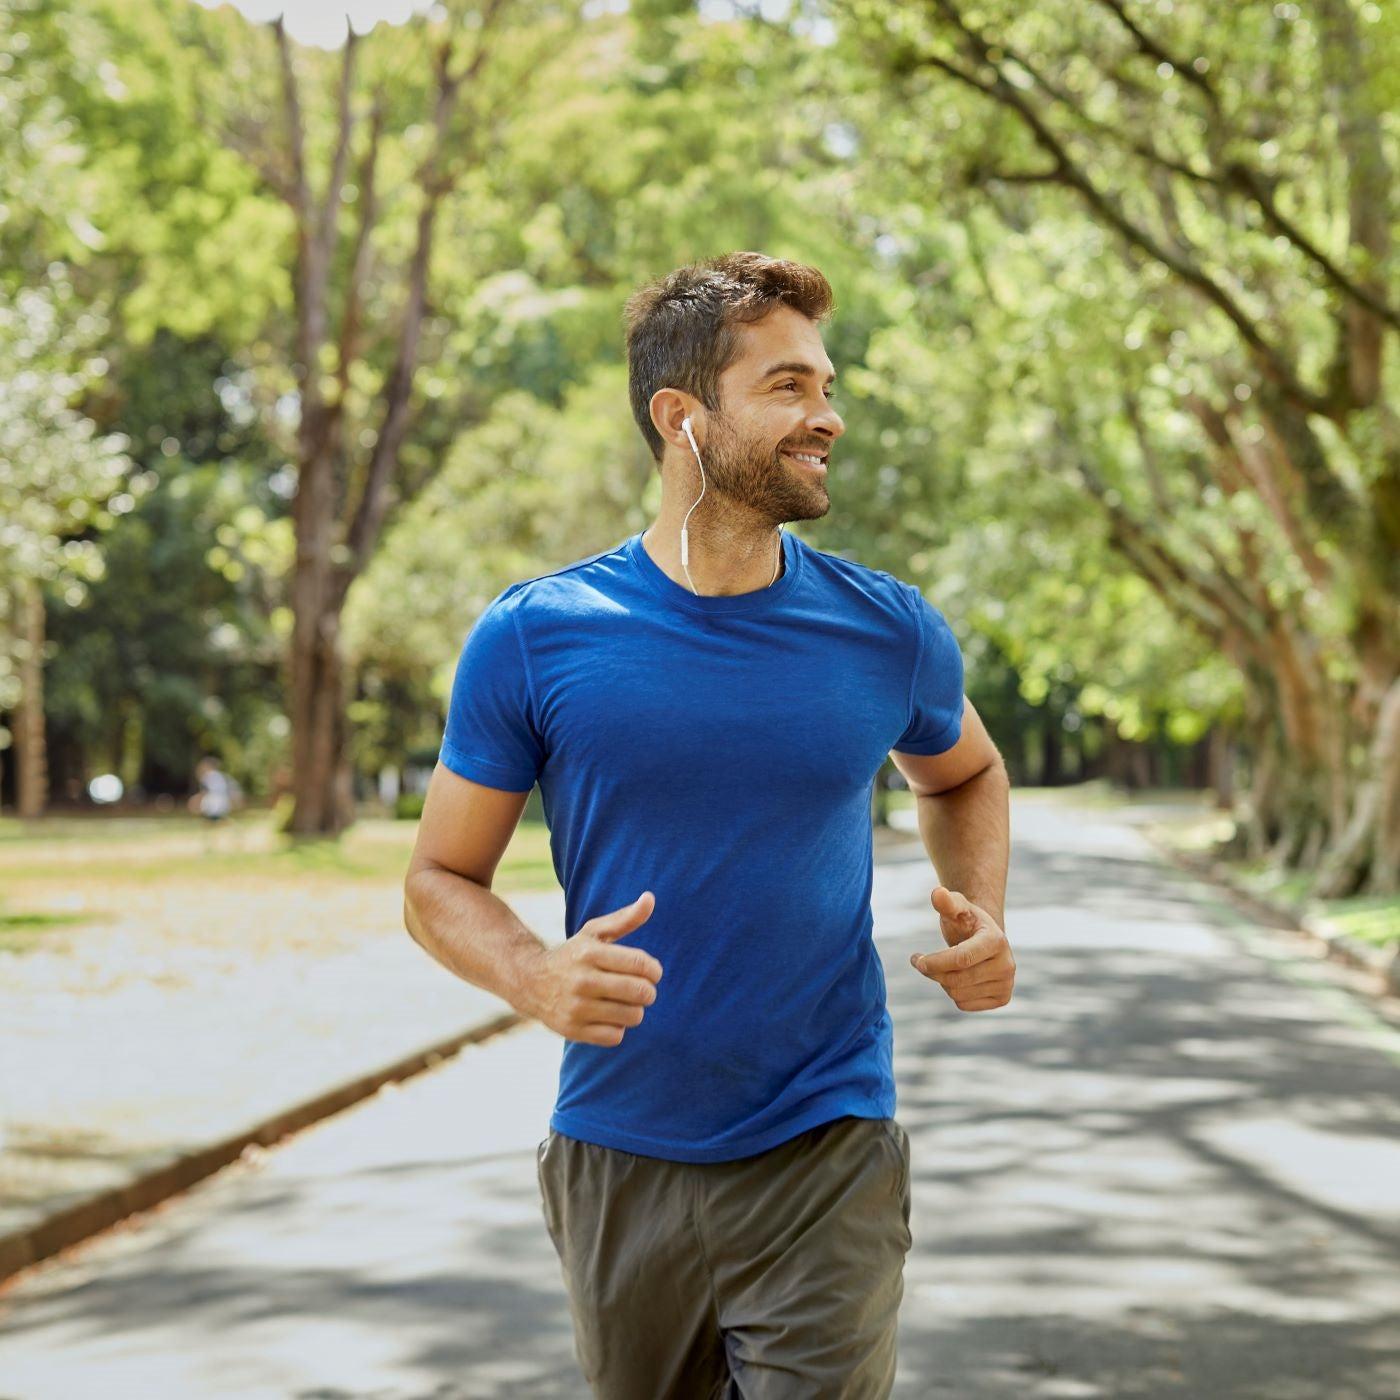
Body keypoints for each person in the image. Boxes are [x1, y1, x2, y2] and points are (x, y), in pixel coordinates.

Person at [403, 252, 1014, 1398]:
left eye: (826, 386)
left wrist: (979, 905)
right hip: (617, 1152)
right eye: (786, 387)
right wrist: (534, 973)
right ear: (679, 418)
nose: (825, 416)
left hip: (827, 1144)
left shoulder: (886, 630)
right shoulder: (536, 635)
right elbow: (436, 876)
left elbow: (964, 772)